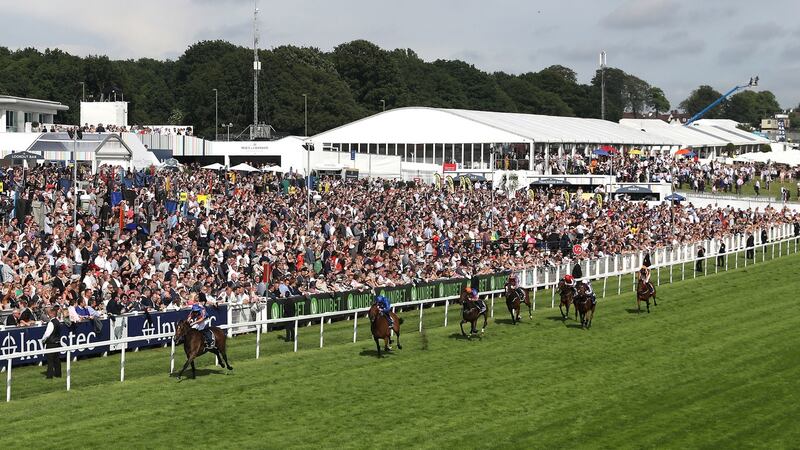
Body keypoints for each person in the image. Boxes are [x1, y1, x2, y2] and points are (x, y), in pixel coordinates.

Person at [40, 305, 62, 379]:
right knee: (57, 360)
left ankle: (49, 376)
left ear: (52, 314)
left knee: (50, 360)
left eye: (49, 313)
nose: (48, 314)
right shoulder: (58, 322)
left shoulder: (51, 323)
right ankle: (58, 374)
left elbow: (47, 334)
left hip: (51, 343)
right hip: (57, 342)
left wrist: (42, 340)